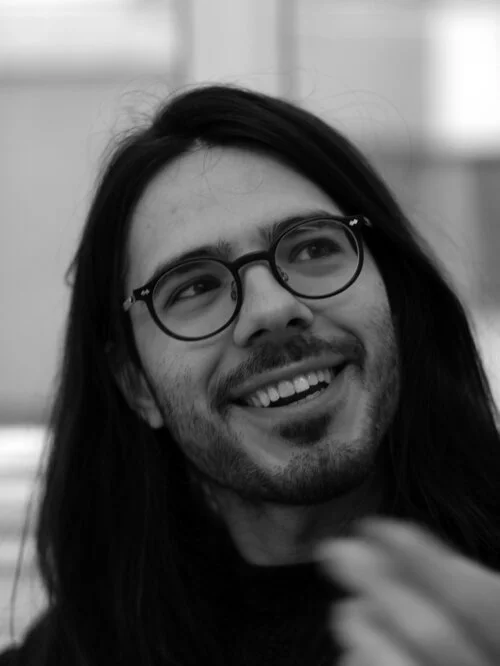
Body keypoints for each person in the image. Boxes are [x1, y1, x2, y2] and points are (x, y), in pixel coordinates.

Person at [1, 83, 500, 666]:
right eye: (195, 287)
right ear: (136, 384)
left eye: (313, 250)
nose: (271, 309)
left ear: (393, 295)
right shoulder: (77, 652)